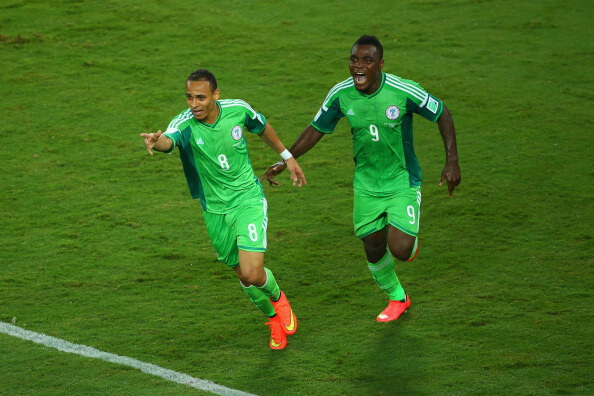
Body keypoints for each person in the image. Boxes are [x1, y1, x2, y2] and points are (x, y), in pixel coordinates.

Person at [261, 35, 461, 322]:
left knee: (401, 250)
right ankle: (397, 297)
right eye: (354, 59)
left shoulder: (402, 91)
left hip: (401, 181)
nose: (358, 66)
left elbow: (442, 113)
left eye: (367, 60)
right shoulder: (341, 94)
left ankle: (407, 241)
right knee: (373, 245)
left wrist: (451, 160)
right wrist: (286, 159)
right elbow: (315, 128)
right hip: (366, 184)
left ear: (380, 64)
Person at [140, 69, 306, 349]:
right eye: (190, 97)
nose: (194, 104)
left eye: (201, 97)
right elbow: (170, 140)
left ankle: (279, 299)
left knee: (253, 273)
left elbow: (262, 126)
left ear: (216, 95)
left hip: (247, 200)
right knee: (241, 274)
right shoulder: (185, 123)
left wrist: (286, 156)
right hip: (214, 209)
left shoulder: (238, 110)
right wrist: (158, 143)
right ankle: (272, 319)